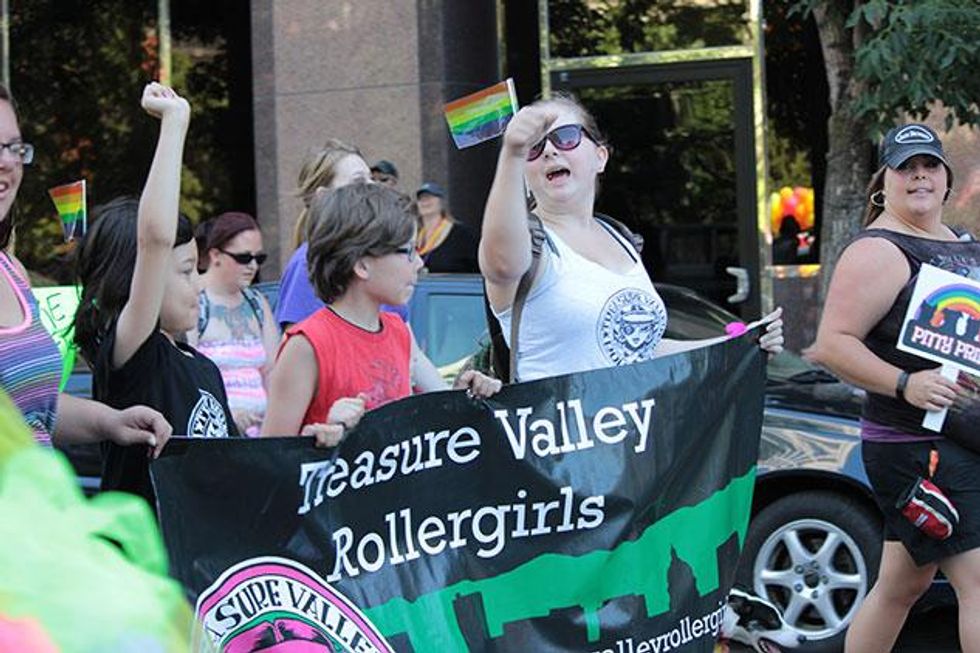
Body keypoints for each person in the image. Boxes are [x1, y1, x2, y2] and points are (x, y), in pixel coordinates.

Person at [806, 123, 980, 653]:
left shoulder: (960, 244)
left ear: (948, 178)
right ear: (884, 182)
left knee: (902, 586)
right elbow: (832, 345)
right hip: (916, 447)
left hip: (959, 440)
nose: (920, 176)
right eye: (906, 167)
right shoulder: (878, 252)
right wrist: (906, 384)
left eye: (930, 165)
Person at [479, 92, 783, 383]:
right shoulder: (533, 243)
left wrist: (738, 345)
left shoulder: (619, 238)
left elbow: (642, 351)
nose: (549, 150)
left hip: (632, 433)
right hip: (560, 432)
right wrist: (512, 152)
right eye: (534, 146)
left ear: (600, 157)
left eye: (567, 137)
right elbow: (502, 265)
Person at [74, 83, 238, 504]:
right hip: (144, 562)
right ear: (136, 279)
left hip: (200, 564)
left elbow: (243, 468)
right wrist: (175, 121)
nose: (199, 285)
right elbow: (155, 239)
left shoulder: (205, 370)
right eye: (186, 271)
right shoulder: (134, 356)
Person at [0, 85, 171, 452]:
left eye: (13, 148)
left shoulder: (12, 272)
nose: (7, 162)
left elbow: (33, 405)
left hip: (32, 504)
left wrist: (110, 420)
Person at [261, 182, 500, 446]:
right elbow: (270, 459)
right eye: (408, 251)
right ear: (362, 265)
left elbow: (410, 432)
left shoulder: (397, 331)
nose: (420, 263)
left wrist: (459, 399)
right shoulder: (306, 345)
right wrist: (322, 433)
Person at [276, 140, 407, 328]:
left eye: (372, 179)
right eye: (358, 182)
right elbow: (298, 347)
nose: (373, 187)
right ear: (323, 197)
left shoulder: (380, 259)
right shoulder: (307, 264)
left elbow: (410, 350)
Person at [188, 211, 278, 437]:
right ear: (216, 255)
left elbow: (273, 373)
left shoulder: (257, 303)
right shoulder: (194, 299)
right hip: (212, 434)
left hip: (258, 435)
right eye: (244, 258)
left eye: (259, 258)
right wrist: (227, 416)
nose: (253, 266)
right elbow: (186, 377)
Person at [415, 181, 479, 273]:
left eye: (430, 197)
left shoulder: (462, 235)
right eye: (421, 198)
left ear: (442, 203)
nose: (425, 201)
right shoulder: (413, 236)